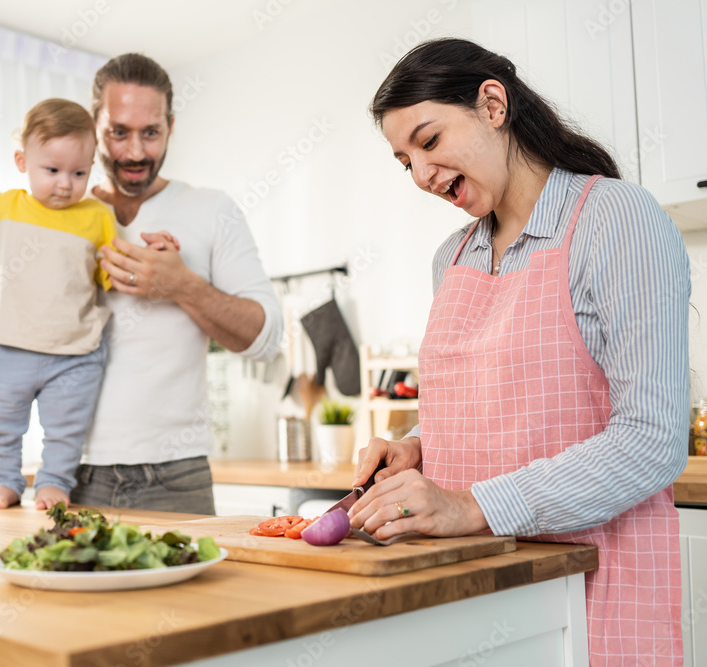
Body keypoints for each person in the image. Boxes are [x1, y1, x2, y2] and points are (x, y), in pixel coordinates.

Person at [350, 38, 689, 665]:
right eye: (405, 161)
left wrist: (471, 505)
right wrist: (418, 444)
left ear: (492, 104)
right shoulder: (451, 257)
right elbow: (497, 396)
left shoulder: (616, 218)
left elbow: (651, 439)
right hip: (479, 588)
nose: (421, 175)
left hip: (597, 581)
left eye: (429, 142)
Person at [0, 99, 174, 511]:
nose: (65, 183)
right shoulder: (3, 208)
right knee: (1, 425)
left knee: (65, 430)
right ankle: (4, 480)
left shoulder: (96, 215)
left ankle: (54, 483)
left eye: (78, 173)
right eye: (52, 171)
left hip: (74, 354)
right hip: (5, 348)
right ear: (21, 161)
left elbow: (113, 269)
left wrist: (155, 255)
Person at [69, 53, 282, 514]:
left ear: (171, 125)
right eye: (118, 132)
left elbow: (265, 338)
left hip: (176, 472)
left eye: (151, 132)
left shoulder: (212, 210)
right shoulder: (61, 214)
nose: (135, 153)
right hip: (71, 468)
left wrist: (182, 285)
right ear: (93, 123)